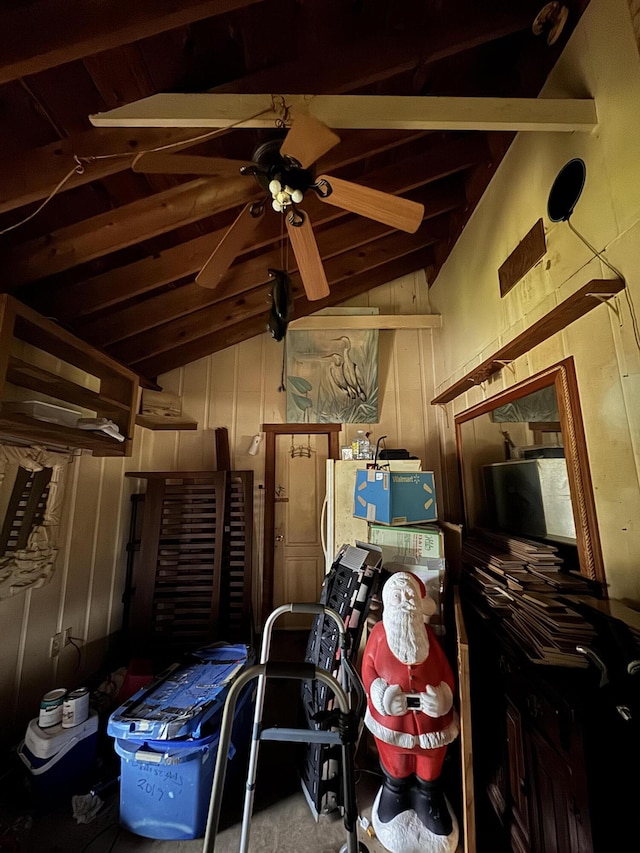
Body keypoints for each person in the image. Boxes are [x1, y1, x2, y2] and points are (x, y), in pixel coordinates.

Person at [361, 571, 459, 839]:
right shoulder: (379, 635)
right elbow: (368, 670)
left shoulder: (427, 636)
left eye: (409, 596)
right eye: (398, 596)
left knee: (430, 766)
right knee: (396, 763)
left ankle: (429, 797)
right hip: (393, 724)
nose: (404, 602)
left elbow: (446, 673)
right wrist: (381, 696)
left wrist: (442, 697)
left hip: (430, 724)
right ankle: (395, 793)